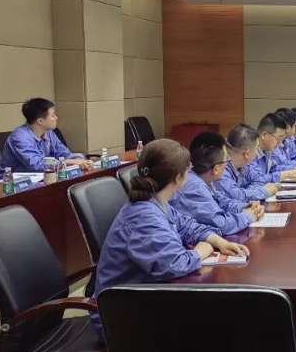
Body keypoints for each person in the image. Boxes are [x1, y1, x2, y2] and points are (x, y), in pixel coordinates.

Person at [90, 139, 249, 338]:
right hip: (121, 317)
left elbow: (186, 225)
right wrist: (201, 251)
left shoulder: (155, 200)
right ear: (178, 178)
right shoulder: (144, 215)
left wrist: (217, 240)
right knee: (220, 322)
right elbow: (174, 264)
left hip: (143, 298)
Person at [170, 131, 264, 235]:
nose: (228, 162)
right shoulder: (194, 187)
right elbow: (221, 224)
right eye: (226, 159)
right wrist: (248, 216)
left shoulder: (204, 178)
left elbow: (223, 202)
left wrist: (246, 207)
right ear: (216, 169)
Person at [0, 98, 93, 175]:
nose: (56, 118)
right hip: (11, 185)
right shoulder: (20, 137)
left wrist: (81, 160)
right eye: (52, 115)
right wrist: (68, 162)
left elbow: (65, 154)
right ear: (40, 121)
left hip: (43, 180)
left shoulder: (49, 133)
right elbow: (36, 165)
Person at [215, 123, 280, 203]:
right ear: (247, 154)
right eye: (256, 148)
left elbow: (258, 180)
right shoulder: (221, 169)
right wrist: (265, 191)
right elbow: (236, 196)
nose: (257, 152)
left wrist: (249, 194)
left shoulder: (245, 165)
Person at [252, 114, 296, 183]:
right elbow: (257, 179)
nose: (280, 143)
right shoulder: (251, 152)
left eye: (282, 138)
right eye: (279, 138)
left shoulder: (267, 151)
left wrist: (294, 169)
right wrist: (285, 175)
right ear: (264, 135)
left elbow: (274, 168)